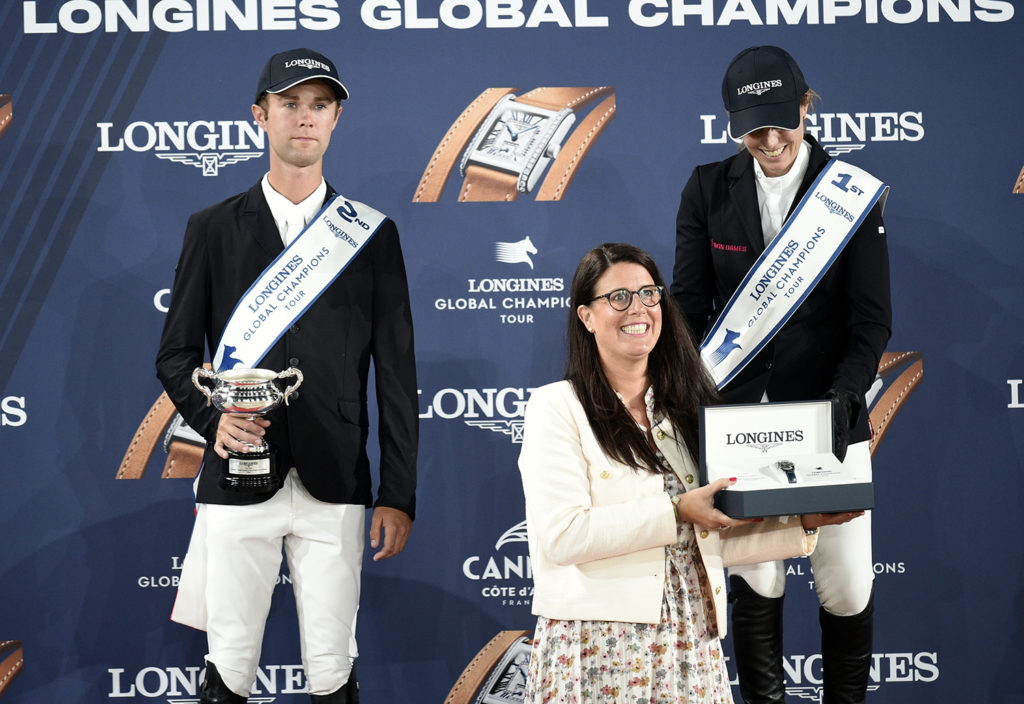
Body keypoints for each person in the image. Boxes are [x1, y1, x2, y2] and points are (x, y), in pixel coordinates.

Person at [155, 48, 418, 703]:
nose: (306, 118)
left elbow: (395, 374)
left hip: (336, 481)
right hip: (237, 478)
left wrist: (399, 493)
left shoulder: (371, 235)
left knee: (333, 668)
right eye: (291, 103)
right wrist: (215, 422)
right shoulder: (211, 228)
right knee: (230, 664)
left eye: (320, 104)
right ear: (260, 115)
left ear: (336, 119)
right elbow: (176, 354)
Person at [517, 243, 859, 703]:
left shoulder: (684, 413)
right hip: (597, 646)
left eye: (648, 294)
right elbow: (565, 535)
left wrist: (801, 523)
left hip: (689, 640)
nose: (637, 308)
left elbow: (699, 542)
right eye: (618, 297)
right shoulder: (557, 406)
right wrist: (677, 508)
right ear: (586, 316)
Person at [671, 46, 891, 704]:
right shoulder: (707, 188)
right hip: (742, 423)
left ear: (805, 105)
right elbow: (687, 304)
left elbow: (871, 321)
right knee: (758, 581)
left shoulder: (848, 194)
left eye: (780, 121)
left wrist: (847, 392)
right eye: (751, 127)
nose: (769, 140)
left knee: (848, 585)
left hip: (830, 415)